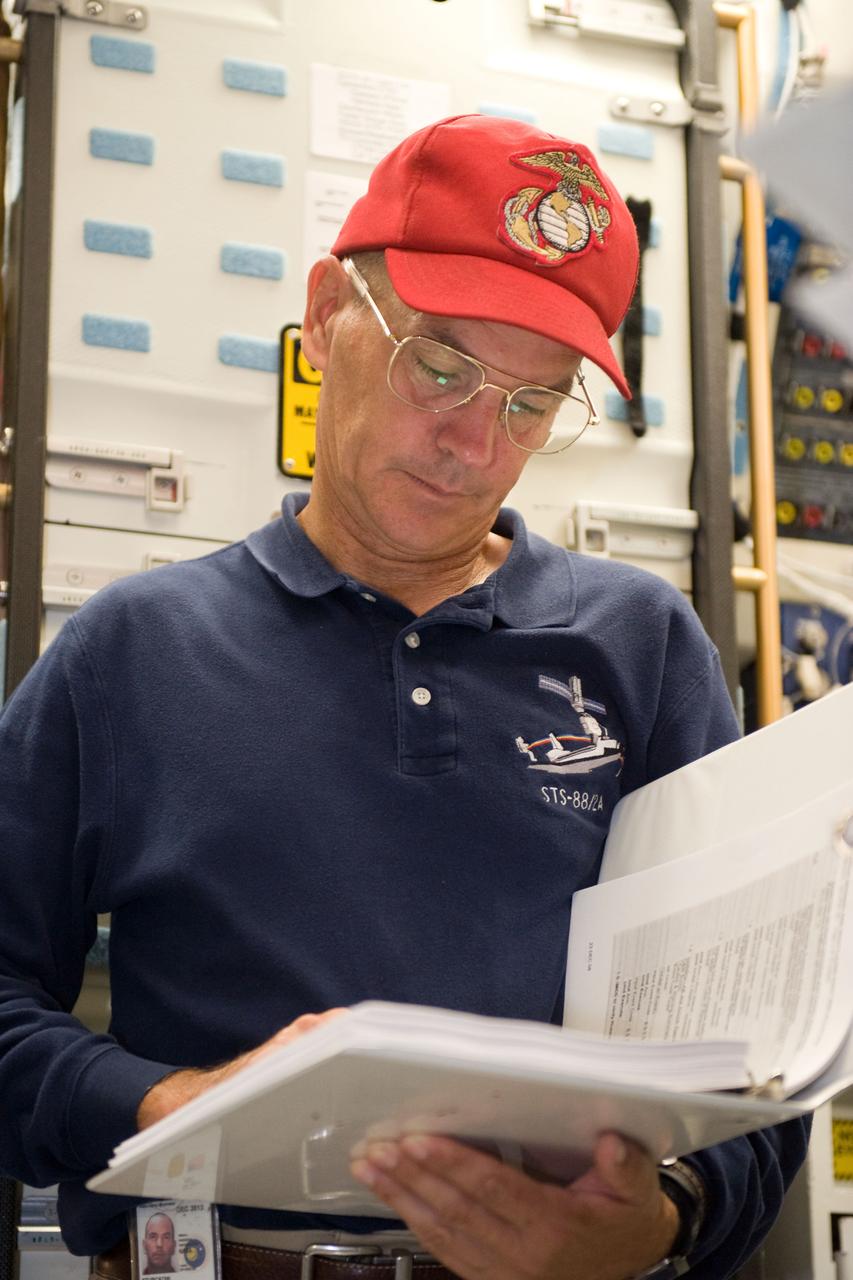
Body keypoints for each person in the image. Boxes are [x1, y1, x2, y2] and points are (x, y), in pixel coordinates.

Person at [0, 114, 808, 1280]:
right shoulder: (136, 648)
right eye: (442, 366)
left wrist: (665, 1216)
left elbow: (756, 1043)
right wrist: (167, 1101)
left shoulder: (641, 650)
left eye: (533, 404)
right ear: (329, 314)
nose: (475, 443)